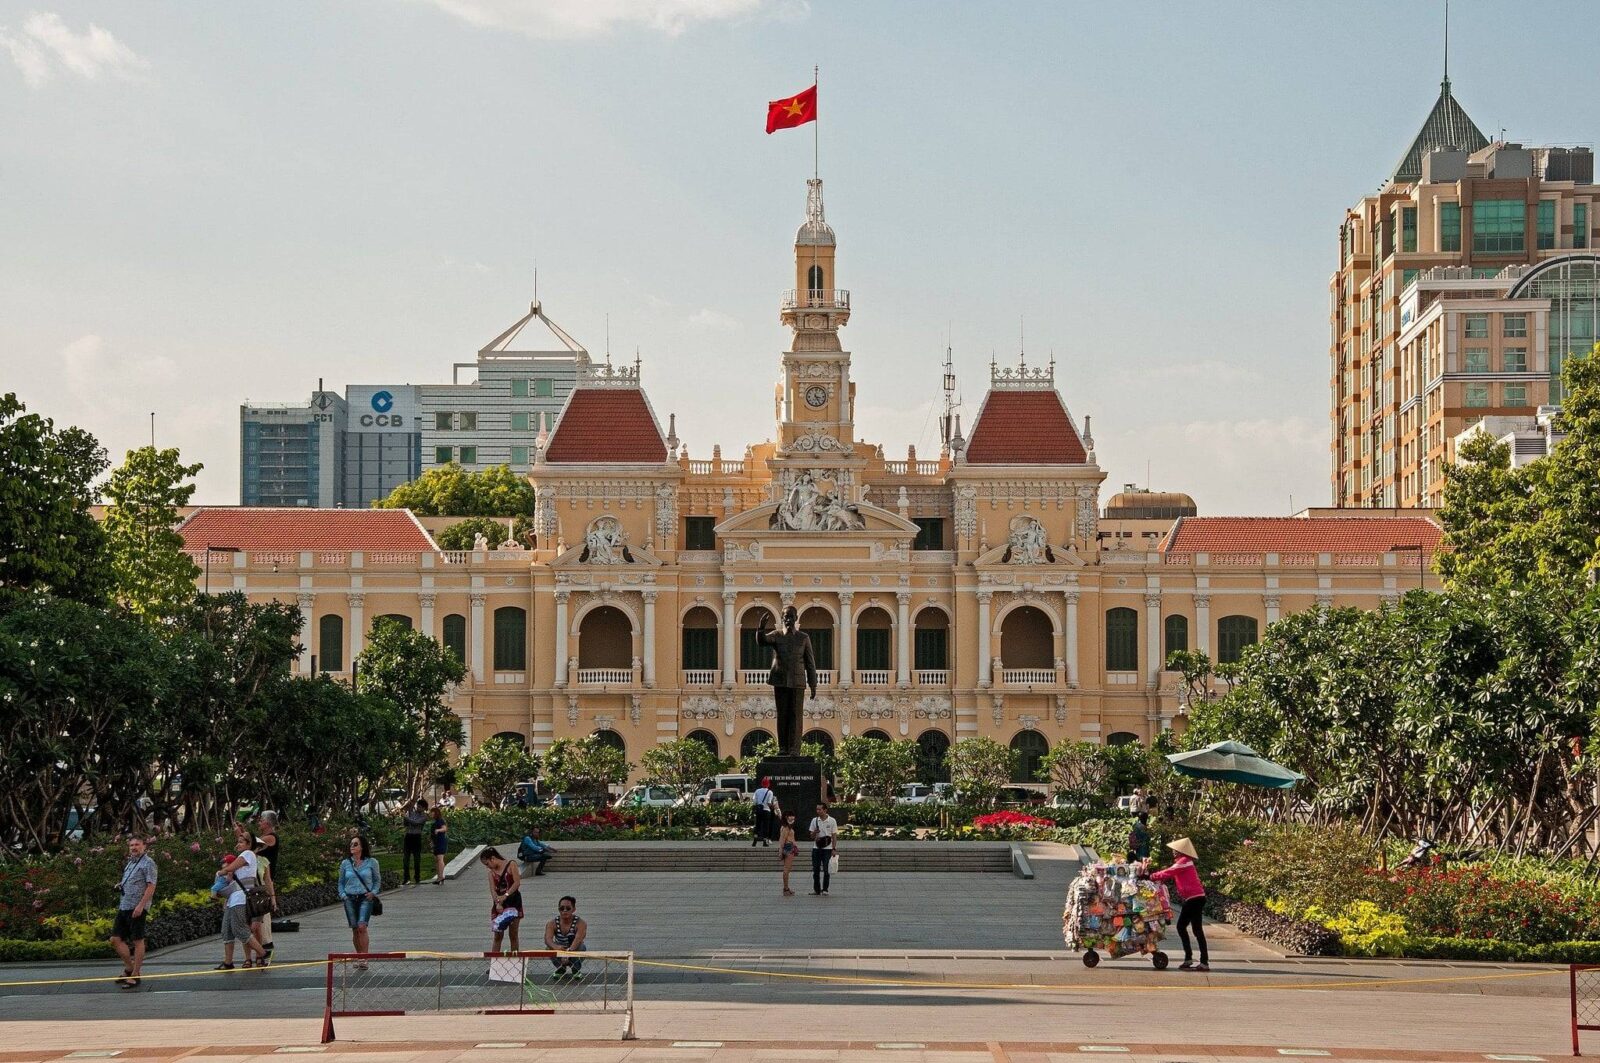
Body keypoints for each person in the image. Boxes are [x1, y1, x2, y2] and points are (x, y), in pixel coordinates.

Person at [757, 606, 817, 753]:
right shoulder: (776, 635)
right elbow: (763, 641)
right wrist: (760, 628)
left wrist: (813, 683)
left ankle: (794, 749)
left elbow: (810, 663)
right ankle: (783, 747)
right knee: (782, 715)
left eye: (791, 616)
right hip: (780, 680)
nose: (788, 619)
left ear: (796, 618)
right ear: (782, 619)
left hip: (797, 682)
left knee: (796, 717)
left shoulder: (803, 638)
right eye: (786, 617)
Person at [1150, 837, 1208, 972]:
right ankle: (1191, 958)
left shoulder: (1185, 862)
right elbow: (1168, 873)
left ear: (1181, 851)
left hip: (1195, 899)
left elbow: (1168, 872)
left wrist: (1152, 876)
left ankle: (1201, 961)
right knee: (1186, 928)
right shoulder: (1183, 863)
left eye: (1175, 850)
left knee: (1192, 929)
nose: (1173, 852)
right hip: (1193, 899)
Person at [111, 836, 157, 989]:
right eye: (131, 845)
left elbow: (151, 886)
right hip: (124, 905)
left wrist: (141, 906)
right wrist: (121, 884)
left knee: (137, 940)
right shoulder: (131, 862)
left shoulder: (148, 863)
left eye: (137, 844)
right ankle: (129, 967)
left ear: (144, 846)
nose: (134, 847)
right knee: (115, 939)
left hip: (137, 907)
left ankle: (136, 974)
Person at [216, 830, 266, 971]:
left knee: (239, 928)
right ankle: (228, 962)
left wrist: (222, 871)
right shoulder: (242, 855)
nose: (238, 844)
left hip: (241, 898)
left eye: (241, 842)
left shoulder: (248, 854)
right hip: (233, 898)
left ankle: (262, 953)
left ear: (249, 844)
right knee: (227, 929)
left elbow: (231, 868)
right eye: (237, 841)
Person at [338, 835, 381, 969]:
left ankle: (364, 957)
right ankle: (359, 956)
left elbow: (377, 880)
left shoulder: (371, 862)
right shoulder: (346, 863)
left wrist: (373, 892)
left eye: (355, 844)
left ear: (362, 846)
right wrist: (343, 895)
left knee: (362, 926)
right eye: (351, 844)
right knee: (355, 929)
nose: (352, 846)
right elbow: (340, 882)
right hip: (350, 898)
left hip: (365, 898)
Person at [479, 847, 524, 953]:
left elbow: (517, 883)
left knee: (513, 934)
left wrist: (506, 895)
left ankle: (515, 961)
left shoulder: (511, 864)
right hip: (499, 903)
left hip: (513, 901)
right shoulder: (491, 873)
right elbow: (493, 890)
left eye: (487, 864)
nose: (487, 867)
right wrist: (497, 903)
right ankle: (494, 963)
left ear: (493, 859)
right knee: (497, 935)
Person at [253, 811, 281, 961]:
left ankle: (265, 949)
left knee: (262, 918)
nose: (259, 823)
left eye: (261, 820)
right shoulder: (267, 837)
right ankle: (262, 949)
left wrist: (240, 833)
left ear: (268, 823)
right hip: (260, 881)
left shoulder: (270, 838)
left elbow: (251, 846)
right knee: (261, 917)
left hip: (263, 881)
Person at [544, 895, 587, 979]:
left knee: (581, 946)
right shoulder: (551, 923)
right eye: (561, 908)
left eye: (568, 908)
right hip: (560, 949)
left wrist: (567, 954)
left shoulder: (581, 923)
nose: (564, 911)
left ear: (574, 909)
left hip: (574, 949)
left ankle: (576, 969)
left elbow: (578, 939)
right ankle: (561, 968)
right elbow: (547, 939)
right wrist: (556, 947)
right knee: (548, 948)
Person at [808, 802, 838, 896]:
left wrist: (834, 848)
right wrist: (814, 833)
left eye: (820, 809)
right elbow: (811, 836)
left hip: (828, 849)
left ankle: (825, 889)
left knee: (826, 869)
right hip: (816, 848)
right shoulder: (814, 820)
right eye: (817, 809)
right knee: (816, 869)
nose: (818, 811)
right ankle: (816, 890)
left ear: (825, 810)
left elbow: (834, 836)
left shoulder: (832, 820)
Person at [401, 799, 428, 885]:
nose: (417, 808)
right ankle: (406, 878)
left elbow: (416, 823)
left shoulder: (424, 816)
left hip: (416, 837)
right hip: (408, 836)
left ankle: (417, 877)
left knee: (417, 859)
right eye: (417, 806)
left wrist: (406, 817)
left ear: (424, 808)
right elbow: (406, 824)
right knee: (406, 859)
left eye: (420, 807)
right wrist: (405, 816)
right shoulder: (410, 813)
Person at [750, 777, 778, 848]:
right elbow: (769, 803)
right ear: (768, 784)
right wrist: (773, 807)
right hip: (766, 811)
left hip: (759, 810)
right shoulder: (770, 792)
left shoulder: (757, 791)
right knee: (766, 826)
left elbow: (754, 802)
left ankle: (755, 840)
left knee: (758, 825)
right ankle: (765, 841)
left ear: (762, 784)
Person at [778, 810, 799, 896]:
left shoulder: (786, 827)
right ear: (785, 817)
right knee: (787, 869)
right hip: (788, 848)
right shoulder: (786, 828)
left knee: (787, 869)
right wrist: (780, 851)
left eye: (792, 816)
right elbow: (782, 840)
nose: (791, 818)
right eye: (789, 816)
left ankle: (786, 888)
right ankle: (786, 889)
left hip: (789, 848)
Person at [430, 804, 448, 884]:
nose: (431, 814)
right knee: (436, 860)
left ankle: (440, 877)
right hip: (436, 842)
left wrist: (438, 830)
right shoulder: (435, 821)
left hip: (441, 841)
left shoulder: (440, 820)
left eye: (432, 812)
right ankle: (439, 876)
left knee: (440, 859)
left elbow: (444, 828)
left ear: (436, 813)